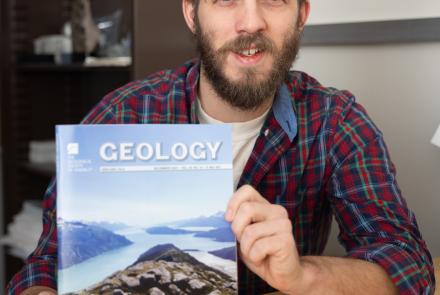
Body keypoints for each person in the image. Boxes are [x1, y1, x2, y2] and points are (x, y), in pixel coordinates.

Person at [7, 0, 435, 294]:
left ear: (302, 14)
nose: (250, 23)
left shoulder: (335, 121)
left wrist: (303, 275)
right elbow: (46, 262)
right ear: (192, 13)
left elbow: (409, 263)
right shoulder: (120, 115)